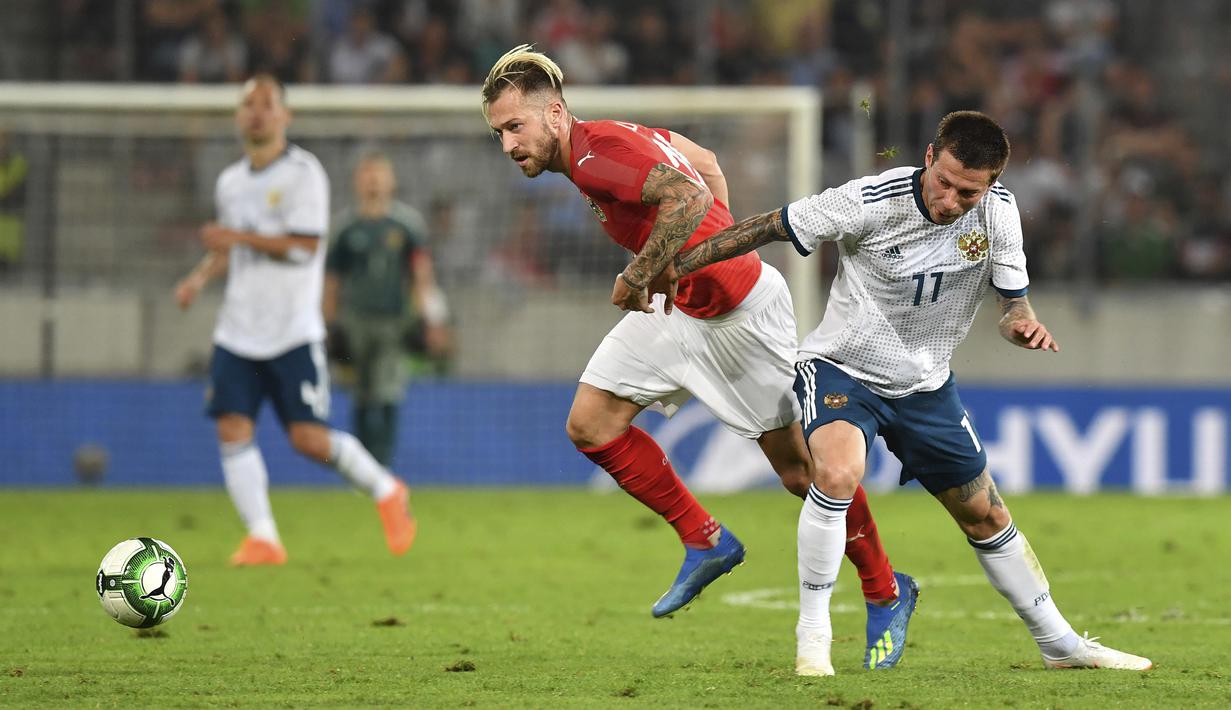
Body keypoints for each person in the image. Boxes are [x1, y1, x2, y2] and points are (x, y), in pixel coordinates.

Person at [481, 45, 918, 671]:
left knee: (802, 474)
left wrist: (643, 269)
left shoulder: (596, 153)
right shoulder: (611, 143)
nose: (507, 145)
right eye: (499, 133)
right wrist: (691, 260)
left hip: (741, 318)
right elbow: (705, 165)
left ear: (555, 114)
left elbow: (686, 197)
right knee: (591, 423)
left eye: (514, 127)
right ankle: (704, 539)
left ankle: (887, 589)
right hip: (683, 311)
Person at [672, 110, 1153, 674]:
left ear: (992, 184)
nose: (950, 200)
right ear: (929, 156)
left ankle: (1060, 645)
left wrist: (1020, 324)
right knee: (836, 474)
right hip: (841, 370)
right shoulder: (872, 199)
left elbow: (1011, 302)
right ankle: (813, 640)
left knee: (986, 518)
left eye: (967, 192)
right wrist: (674, 264)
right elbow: (769, 226)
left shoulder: (999, 216)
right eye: (944, 181)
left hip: (925, 386)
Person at [174, 74, 416, 566]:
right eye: (249, 104)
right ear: (239, 116)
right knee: (231, 427)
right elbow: (229, 244)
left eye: (267, 104)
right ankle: (264, 537)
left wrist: (237, 239)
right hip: (238, 330)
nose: (257, 112)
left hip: (291, 331)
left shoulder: (305, 174)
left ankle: (387, 489)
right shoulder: (230, 182)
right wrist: (199, 277)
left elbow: (305, 247)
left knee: (306, 439)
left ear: (286, 116)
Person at [323, 152, 451, 468]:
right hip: (356, 321)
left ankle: (382, 466)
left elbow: (422, 276)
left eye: (379, 174)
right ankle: (363, 467)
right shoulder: (345, 229)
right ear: (357, 182)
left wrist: (432, 319)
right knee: (362, 394)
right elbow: (332, 282)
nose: (373, 181)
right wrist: (327, 325)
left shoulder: (407, 225)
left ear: (391, 181)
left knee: (390, 392)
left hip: (395, 321)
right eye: (367, 174)